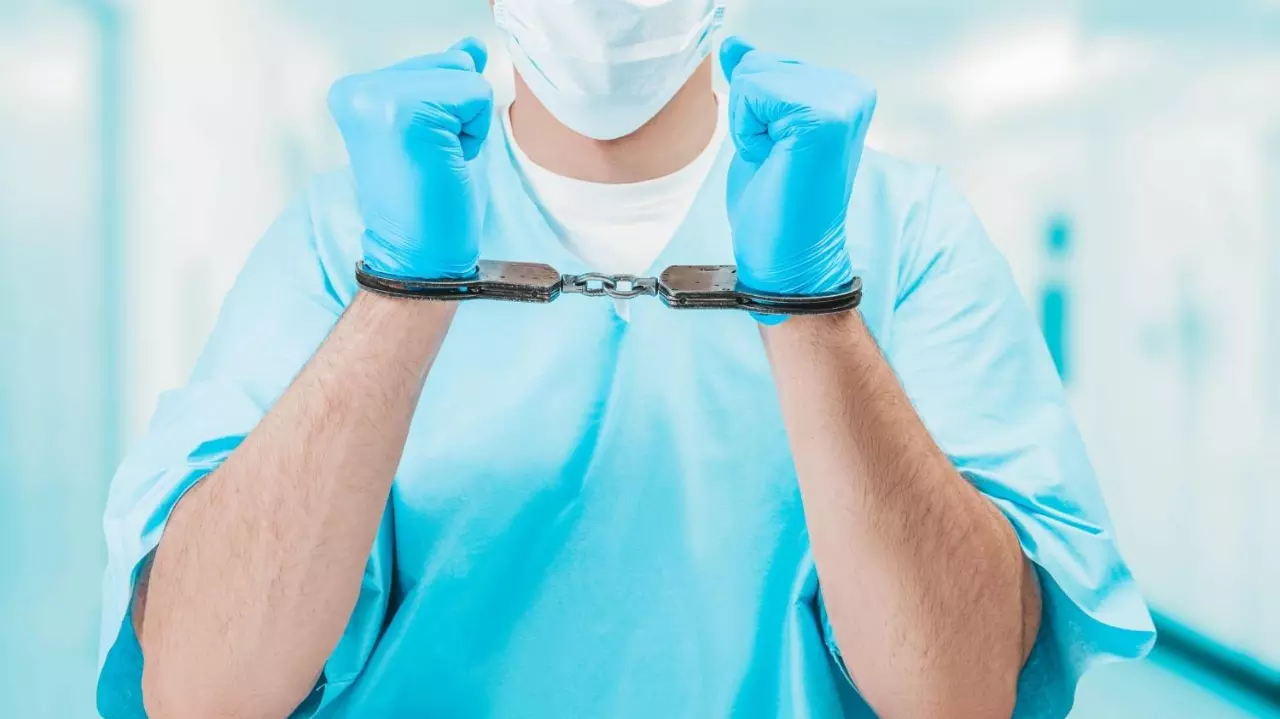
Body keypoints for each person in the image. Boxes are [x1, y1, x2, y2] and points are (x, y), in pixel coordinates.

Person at [96, 1, 1156, 717]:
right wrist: (400, 294)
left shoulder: (901, 233)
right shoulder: (344, 240)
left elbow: (959, 690)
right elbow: (200, 690)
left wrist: (816, 313)